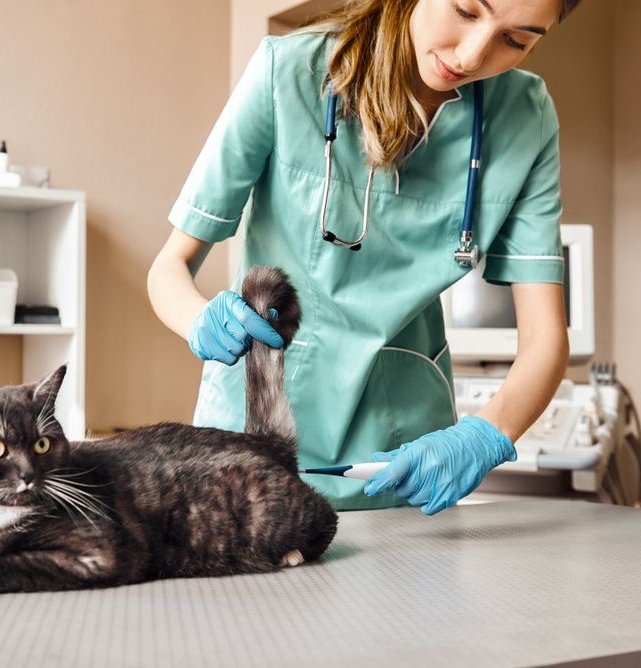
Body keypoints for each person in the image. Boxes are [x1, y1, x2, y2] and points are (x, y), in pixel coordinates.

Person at [148, 0, 580, 514]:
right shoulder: (288, 72)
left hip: (401, 457)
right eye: (466, 10)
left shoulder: (524, 116)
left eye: (517, 40)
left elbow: (546, 338)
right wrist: (200, 319)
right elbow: (169, 268)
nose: (471, 54)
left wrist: (487, 434)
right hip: (252, 436)